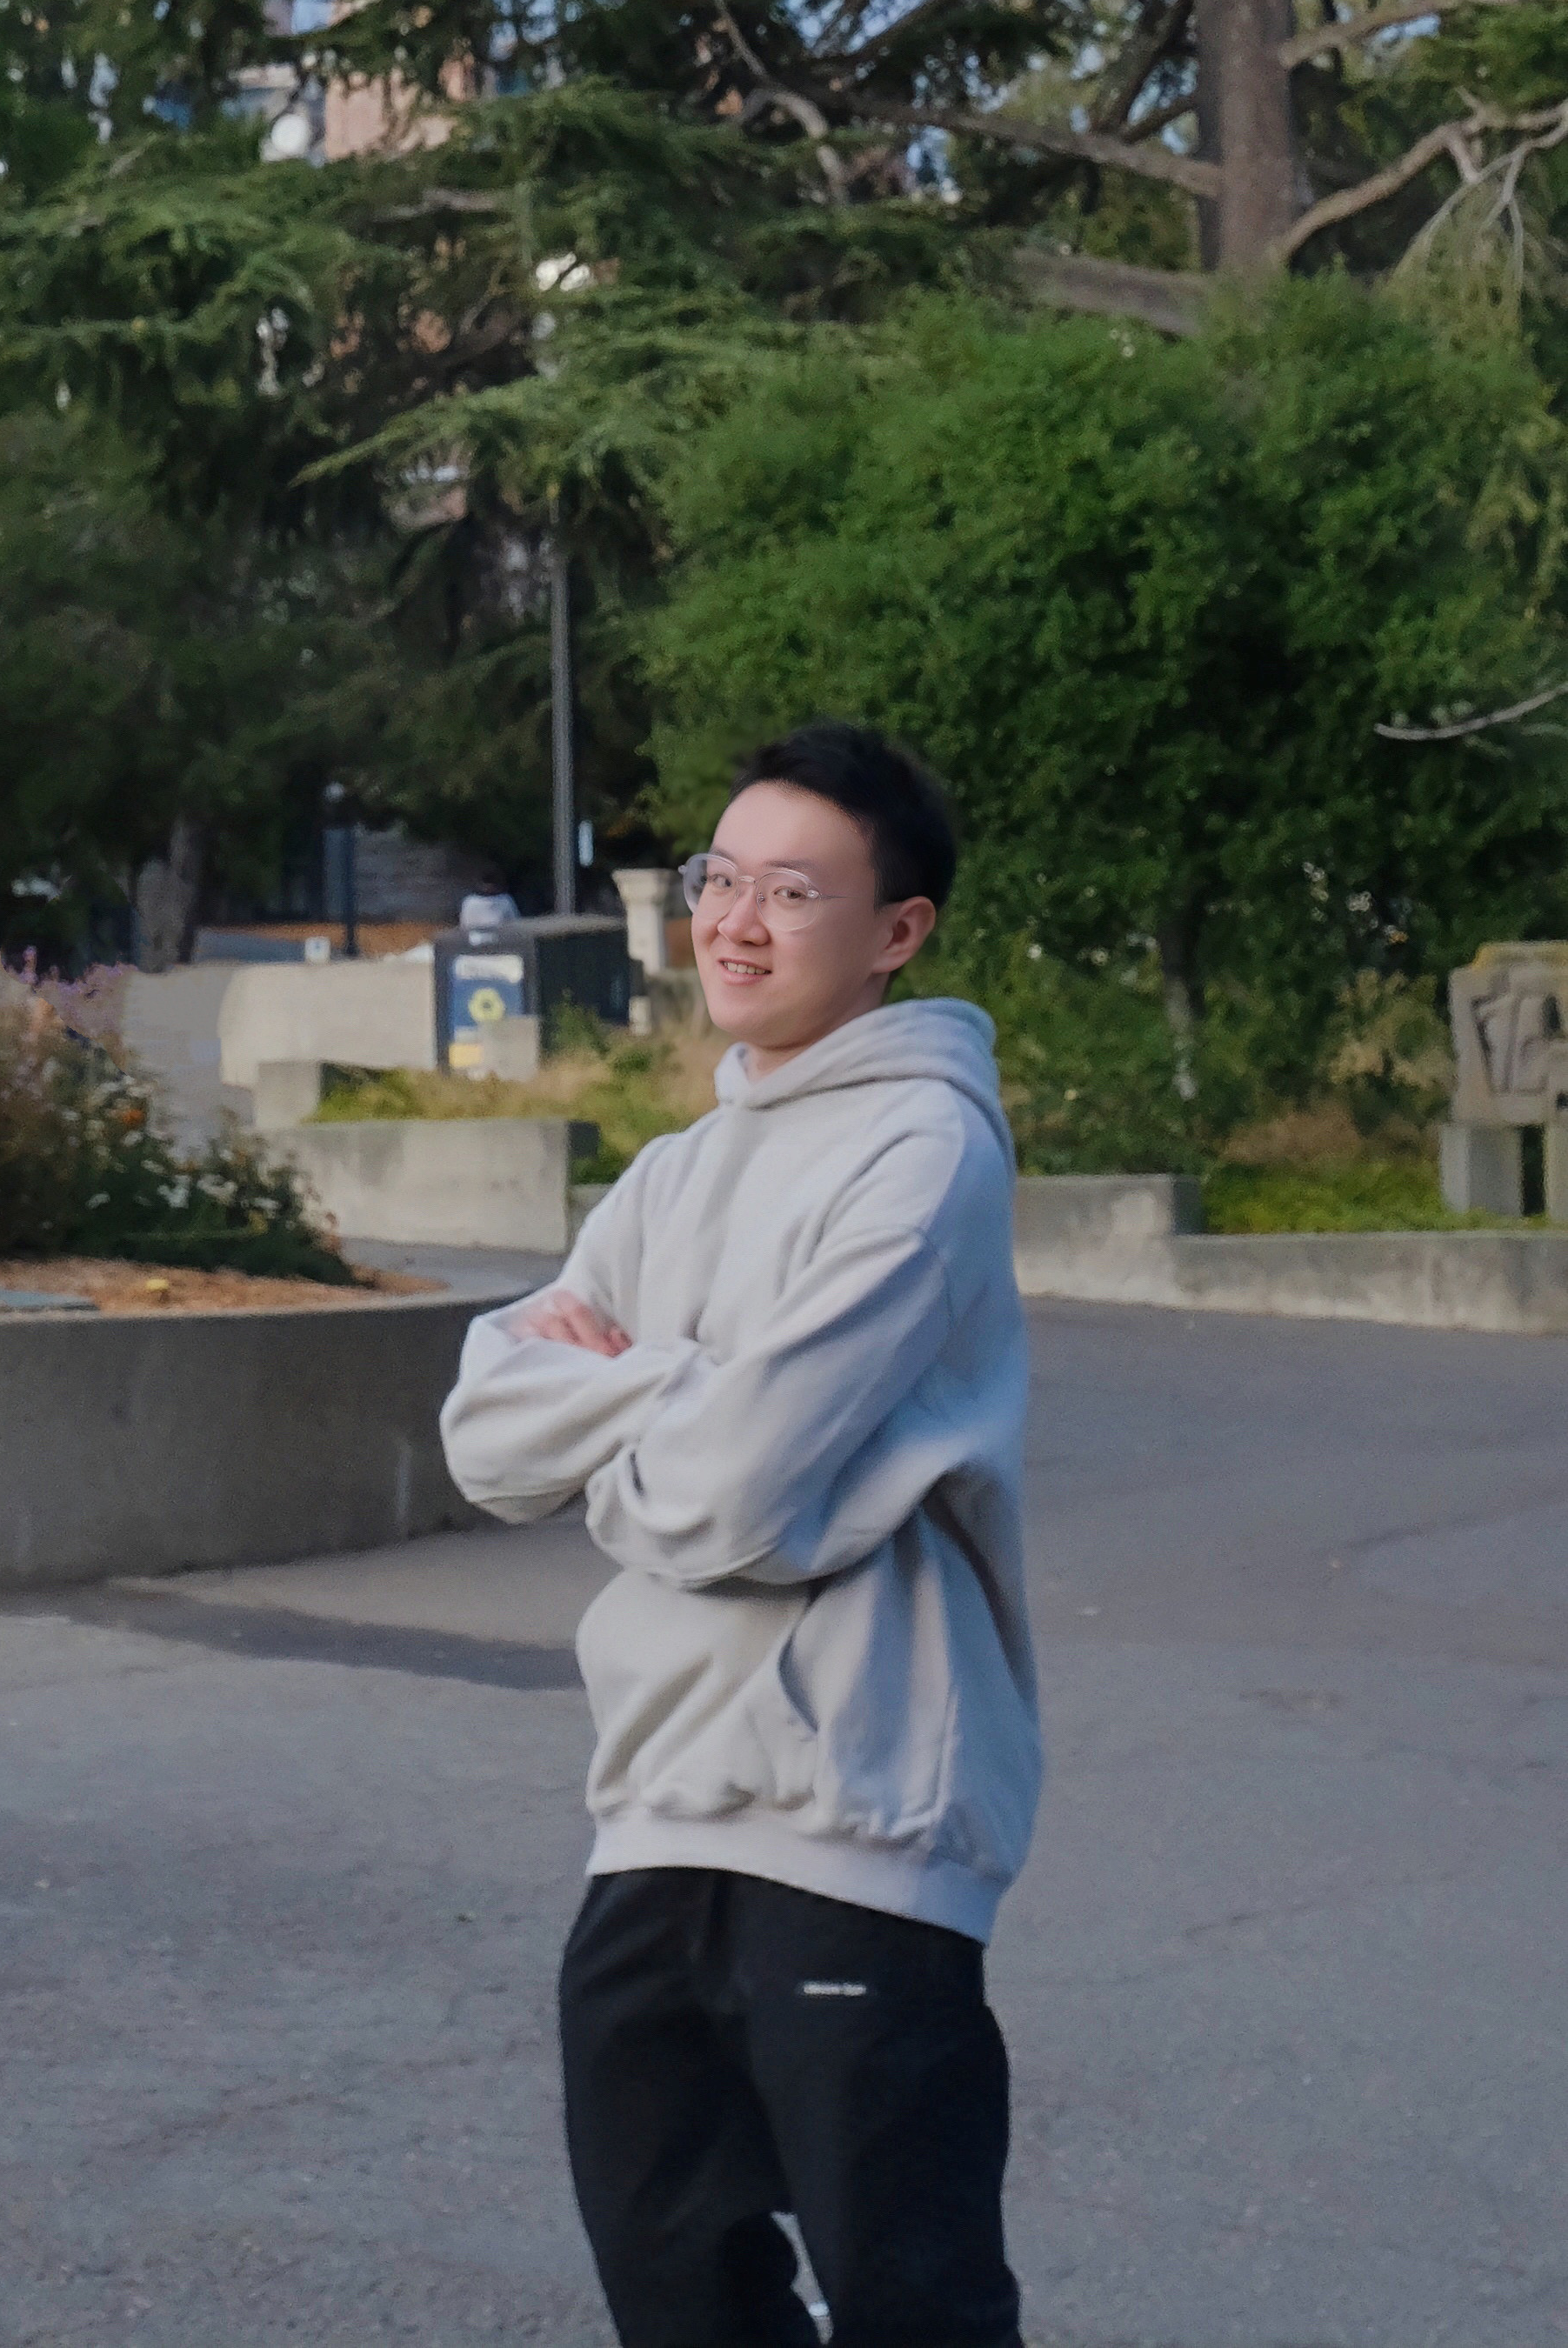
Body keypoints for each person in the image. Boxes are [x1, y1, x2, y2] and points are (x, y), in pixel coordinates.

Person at [439, 720, 1038, 2348]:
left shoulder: (924, 1150)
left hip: (858, 1811)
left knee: (911, 2302)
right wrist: (691, 1391)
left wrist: (624, 1399)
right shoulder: (673, 1170)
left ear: (896, 930)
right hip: (653, 1805)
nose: (734, 919)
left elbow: (725, 1497)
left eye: (790, 888)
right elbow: (483, 1431)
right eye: (720, 877)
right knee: (673, 2283)